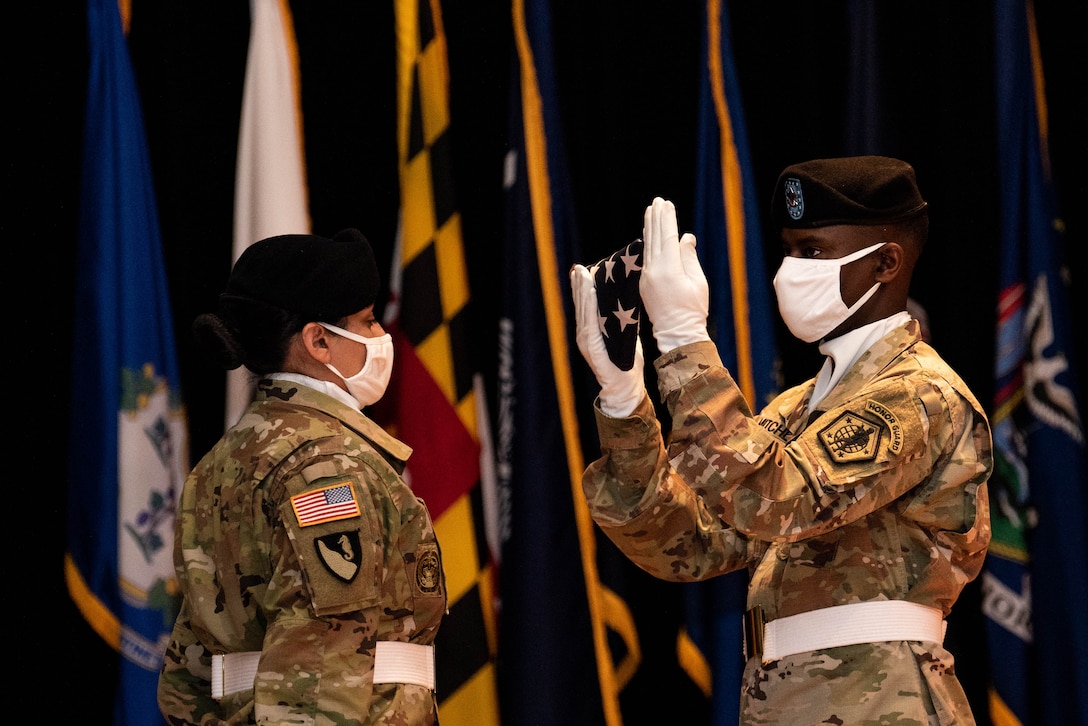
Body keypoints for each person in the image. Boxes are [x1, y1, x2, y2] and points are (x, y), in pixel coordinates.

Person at [570, 156, 992, 724]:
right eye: (790, 249)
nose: (792, 269)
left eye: (814, 251)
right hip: (785, 700)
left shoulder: (921, 395)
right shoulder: (798, 407)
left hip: (886, 702)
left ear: (885, 264)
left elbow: (778, 497)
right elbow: (686, 543)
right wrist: (624, 401)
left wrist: (684, 342)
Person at [157, 229, 445, 725]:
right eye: (368, 321)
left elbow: (188, 676)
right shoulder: (327, 467)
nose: (381, 338)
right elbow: (318, 673)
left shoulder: (222, 463)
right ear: (318, 341)